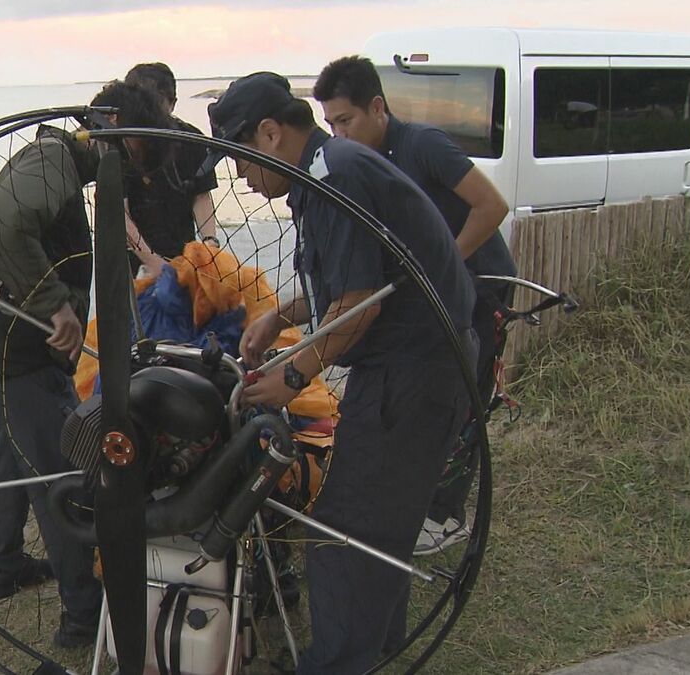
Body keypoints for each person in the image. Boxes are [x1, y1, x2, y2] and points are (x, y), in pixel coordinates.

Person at [208, 72, 477, 672]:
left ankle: (336, 664)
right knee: (382, 525)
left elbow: (360, 303)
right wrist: (277, 314)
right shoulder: (329, 168)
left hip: (411, 374)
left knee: (344, 531)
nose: (246, 183)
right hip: (422, 368)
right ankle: (376, 648)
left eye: (243, 162)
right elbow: (341, 286)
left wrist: (296, 375)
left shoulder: (337, 175)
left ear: (271, 134)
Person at [0, 81, 172, 648]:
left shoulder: (61, 165)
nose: (126, 174)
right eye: (128, 157)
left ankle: (4, 567)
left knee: (12, 456)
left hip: (3, 346)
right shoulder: (51, 161)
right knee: (59, 478)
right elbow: (5, 224)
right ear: (105, 125)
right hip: (17, 352)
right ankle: (83, 616)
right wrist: (57, 305)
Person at [314, 55, 518, 553]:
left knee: (464, 402)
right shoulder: (359, 163)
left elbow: (491, 206)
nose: (338, 135)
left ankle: (446, 516)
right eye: (330, 125)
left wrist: (440, 262)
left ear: (378, 107)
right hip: (433, 292)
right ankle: (415, 503)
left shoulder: (421, 144)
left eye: (346, 120)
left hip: (478, 284)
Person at [121, 62, 220, 277]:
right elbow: (120, 211)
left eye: (155, 105)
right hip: (128, 259)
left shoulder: (191, 139)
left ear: (172, 103)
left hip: (182, 251)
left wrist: (210, 243)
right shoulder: (120, 144)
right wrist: (152, 262)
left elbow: (201, 195)